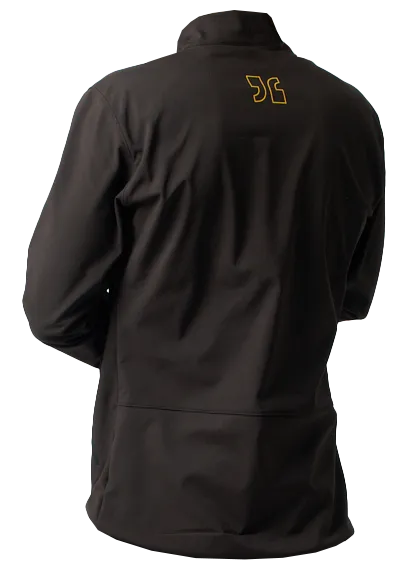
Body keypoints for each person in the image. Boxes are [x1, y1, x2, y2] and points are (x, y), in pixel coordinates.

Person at [23, 6, 384, 562]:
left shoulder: (127, 103)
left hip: (154, 492)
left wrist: (150, 365)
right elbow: (353, 295)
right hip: (297, 494)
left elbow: (53, 309)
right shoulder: (350, 111)